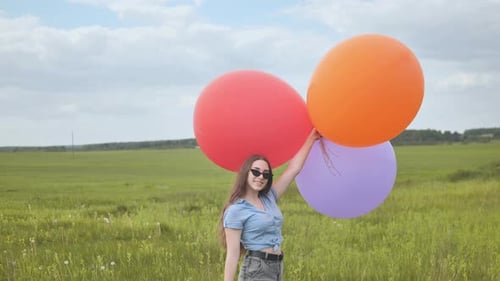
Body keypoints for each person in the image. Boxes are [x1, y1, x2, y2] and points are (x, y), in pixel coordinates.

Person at [218, 129, 320, 281]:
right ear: (246, 173)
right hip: (256, 268)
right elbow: (232, 255)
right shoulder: (236, 211)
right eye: (256, 172)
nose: (261, 177)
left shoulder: (269, 197)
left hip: (277, 265)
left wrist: (312, 137)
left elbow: (293, 170)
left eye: (266, 174)